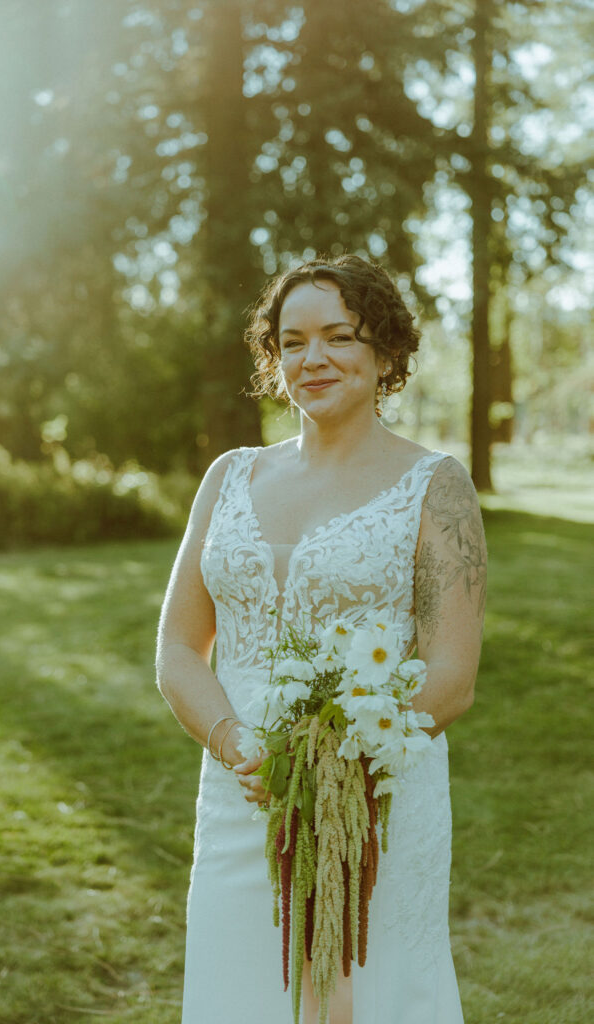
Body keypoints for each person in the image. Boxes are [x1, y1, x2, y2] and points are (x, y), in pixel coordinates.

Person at [156, 253, 487, 1024]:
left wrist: (330, 763)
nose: (313, 359)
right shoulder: (229, 478)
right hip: (240, 788)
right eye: (292, 341)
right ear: (273, 358)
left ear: (385, 355)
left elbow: (451, 673)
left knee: (374, 995)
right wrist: (243, 746)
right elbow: (177, 649)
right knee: (240, 989)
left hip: (373, 796)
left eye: (338, 337)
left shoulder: (434, 486)